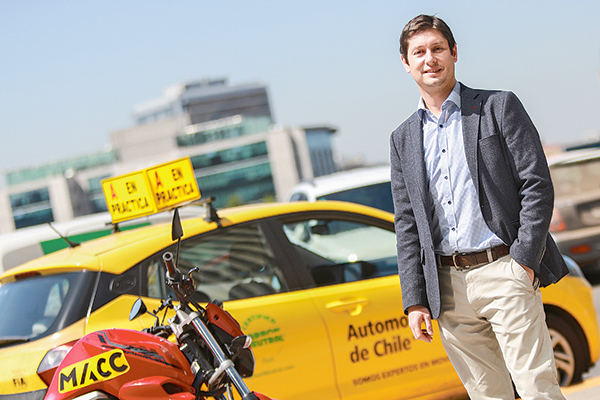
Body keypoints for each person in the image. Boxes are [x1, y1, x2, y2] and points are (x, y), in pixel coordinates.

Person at [389, 14, 569, 400]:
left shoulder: (498, 107)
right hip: (448, 287)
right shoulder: (402, 138)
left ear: (454, 52)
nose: (429, 59)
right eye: (418, 52)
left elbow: (536, 184)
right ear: (406, 63)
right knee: (488, 395)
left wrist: (523, 261)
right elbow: (407, 224)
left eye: (437, 48)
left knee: (537, 388)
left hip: (506, 268)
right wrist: (415, 300)